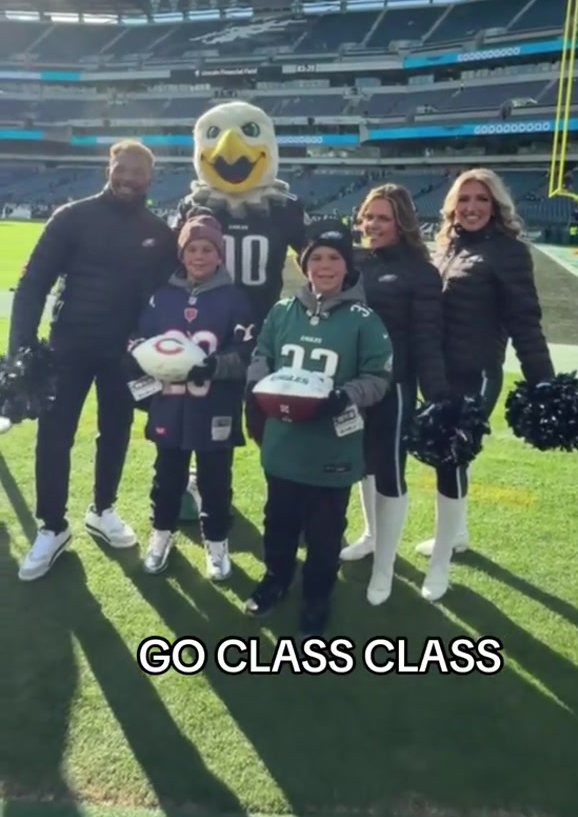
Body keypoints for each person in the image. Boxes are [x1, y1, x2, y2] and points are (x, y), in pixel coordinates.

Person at [10, 140, 178, 582]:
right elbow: (32, 286)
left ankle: (103, 509)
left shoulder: (160, 233)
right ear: (110, 168)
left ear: (150, 178)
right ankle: (52, 527)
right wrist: (20, 350)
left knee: (116, 431)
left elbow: (165, 301)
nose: (126, 178)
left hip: (123, 353)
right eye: (120, 169)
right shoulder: (72, 217)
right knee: (55, 435)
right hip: (68, 346)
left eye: (136, 172)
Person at [244, 220, 393, 636]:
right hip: (284, 443)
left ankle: (317, 594)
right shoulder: (282, 311)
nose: (325, 266)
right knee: (279, 520)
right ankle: (276, 579)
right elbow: (262, 353)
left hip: (332, 447)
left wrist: (343, 396)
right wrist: (260, 385)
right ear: (304, 265)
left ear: (347, 265)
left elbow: (378, 377)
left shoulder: (365, 320)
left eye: (334, 258)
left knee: (326, 532)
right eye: (317, 259)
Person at [416, 167, 555, 600]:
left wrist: (544, 383)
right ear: (453, 206)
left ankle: (441, 563)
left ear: (496, 207)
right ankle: (457, 534)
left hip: (475, 373)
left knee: (450, 460)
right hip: (437, 372)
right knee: (456, 458)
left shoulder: (509, 252)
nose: (472, 207)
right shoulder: (446, 247)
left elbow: (525, 321)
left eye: (482, 200)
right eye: (465, 199)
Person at [174, 100, 310, 516]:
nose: (230, 150)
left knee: (273, 420)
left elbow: (317, 260)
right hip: (210, 332)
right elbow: (173, 267)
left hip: (267, 333)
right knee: (205, 413)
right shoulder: (195, 206)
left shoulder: (284, 207)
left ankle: (289, 503)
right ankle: (201, 490)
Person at [339, 183, 449, 605]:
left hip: (394, 388)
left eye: (382, 217)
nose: (372, 224)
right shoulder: (355, 262)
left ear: (402, 222)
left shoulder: (421, 271)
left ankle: (384, 567)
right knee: (363, 468)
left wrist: (436, 395)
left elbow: (426, 338)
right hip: (351, 387)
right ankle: (370, 537)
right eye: (368, 216)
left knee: (389, 473)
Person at [129, 215, 256, 579]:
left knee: (216, 482)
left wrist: (211, 366)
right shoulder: (162, 296)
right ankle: (161, 535)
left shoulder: (235, 298)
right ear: (181, 254)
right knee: (167, 478)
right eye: (192, 249)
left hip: (214, 407)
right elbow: (138, 338)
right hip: (170, 405)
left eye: (207, 249)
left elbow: (247, 354)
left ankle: (217, 545)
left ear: (220, 255)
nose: (199, 256)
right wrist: (142, 360)